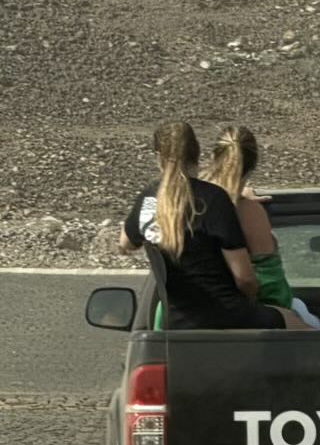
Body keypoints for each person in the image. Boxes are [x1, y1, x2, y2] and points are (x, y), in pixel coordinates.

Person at [119, 121, 301, 329]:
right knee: (310, 333)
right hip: (227, 315)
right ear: (197, 152)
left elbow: (125, 244)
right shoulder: (213, 199)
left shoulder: (148, 200)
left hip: (174, 323)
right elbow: (245, 279)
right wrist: (251, 302)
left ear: (158, 157)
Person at [203, 125, 320, 329]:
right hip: (256, 316)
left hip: (196, 313)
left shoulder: (189, 204)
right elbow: (269, 282)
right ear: (253, 164)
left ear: (213, 157)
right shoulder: (249, 213)